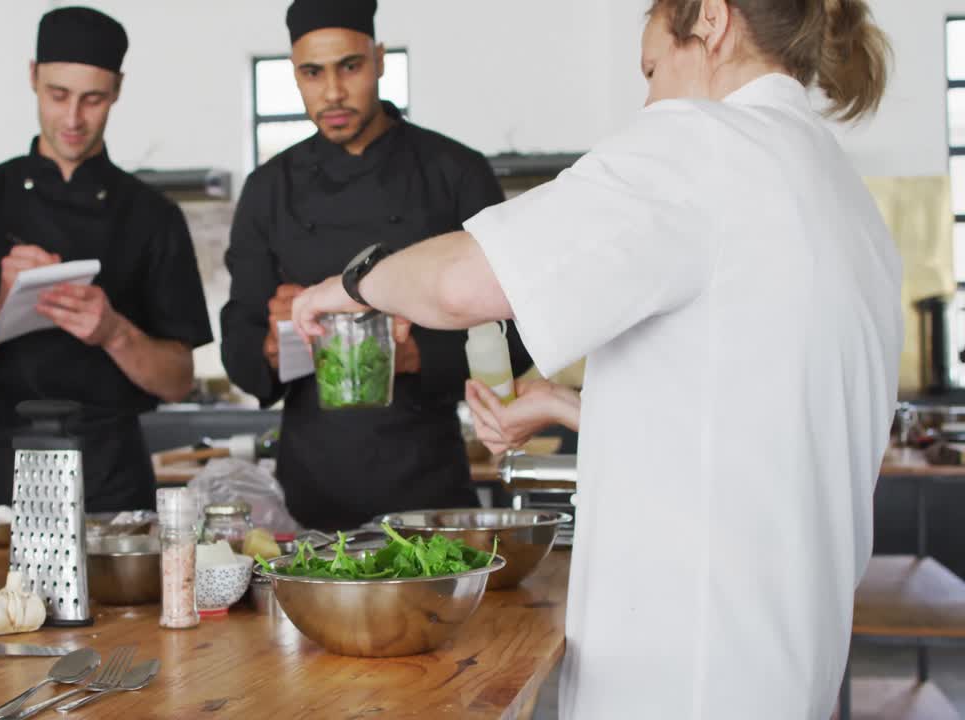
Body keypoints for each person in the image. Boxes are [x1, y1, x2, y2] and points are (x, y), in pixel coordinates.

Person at [292, 0, 900, 717]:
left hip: (687, 674)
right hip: (783, 665)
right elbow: (752, 433)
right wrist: (564, 405)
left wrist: (353, 283)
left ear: (709, 18)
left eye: (650, 69)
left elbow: (464, 285)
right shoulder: (833, 186)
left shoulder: (705, 143)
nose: (648, 98)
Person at [220, 0, 531, 531]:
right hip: (307, 490)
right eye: (311, 73)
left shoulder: (454, 172)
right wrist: (270, 347)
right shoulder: (270, 189)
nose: (333, 93)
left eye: (350, 67)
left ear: (380, 59)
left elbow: (518, 336)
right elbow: (239, 352)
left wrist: (414, 356)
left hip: (428, 482)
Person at [0, 7, 212, 513]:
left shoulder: (152, 215)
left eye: (94, 98)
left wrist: (113, 332)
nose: (74, 119)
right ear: (33, 77)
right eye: (58, 95)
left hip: (111, 473)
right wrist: (1, 305)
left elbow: (177, 379)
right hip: (1, 469)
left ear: (118, 90)